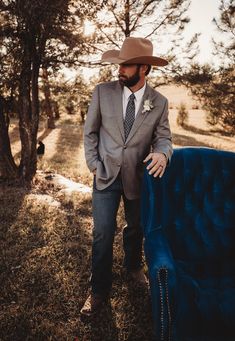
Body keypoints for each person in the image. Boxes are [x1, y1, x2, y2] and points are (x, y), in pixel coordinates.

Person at [81, 37, 173, 316]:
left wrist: (162, 154)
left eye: (126, 65)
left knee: (136, 228)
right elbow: (90, 132)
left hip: (138, 177)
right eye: (119, 64)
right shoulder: (102, 92)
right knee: (102, 232)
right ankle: (98, 291)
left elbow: (164, 138)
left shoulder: (159, 102)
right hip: (105, 174)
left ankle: (133, 266)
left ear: (143, 68)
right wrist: (94, 164)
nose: (120, 70)